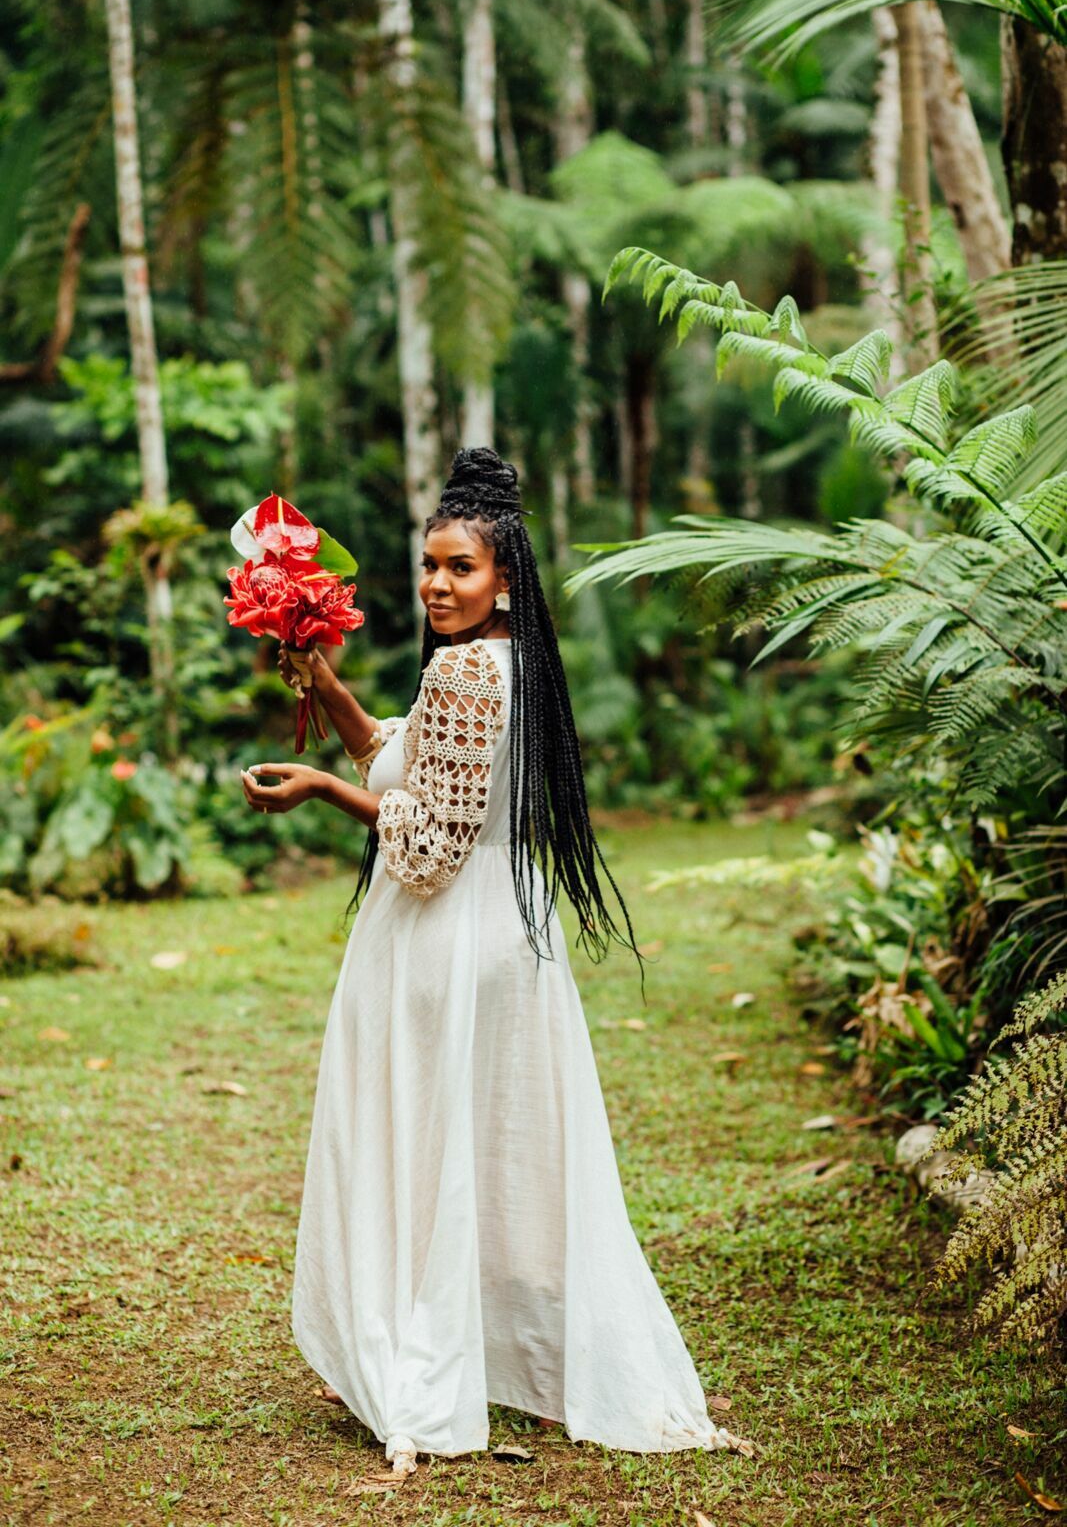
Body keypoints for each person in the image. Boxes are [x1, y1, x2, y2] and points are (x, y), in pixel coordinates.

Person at [240, 447, 756, 1477]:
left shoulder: (464, 667)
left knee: (424, 1142)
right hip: (509, 927)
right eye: (427, 566)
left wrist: (319, 793)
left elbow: (426, 844)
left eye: (459, 568)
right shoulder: (509, 664)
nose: (437, 584)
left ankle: (421, 1347)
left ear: (503, 577)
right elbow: (409, 754)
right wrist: (327, 686)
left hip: (447, 936)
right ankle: (497, 1346)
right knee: (493, 1148)